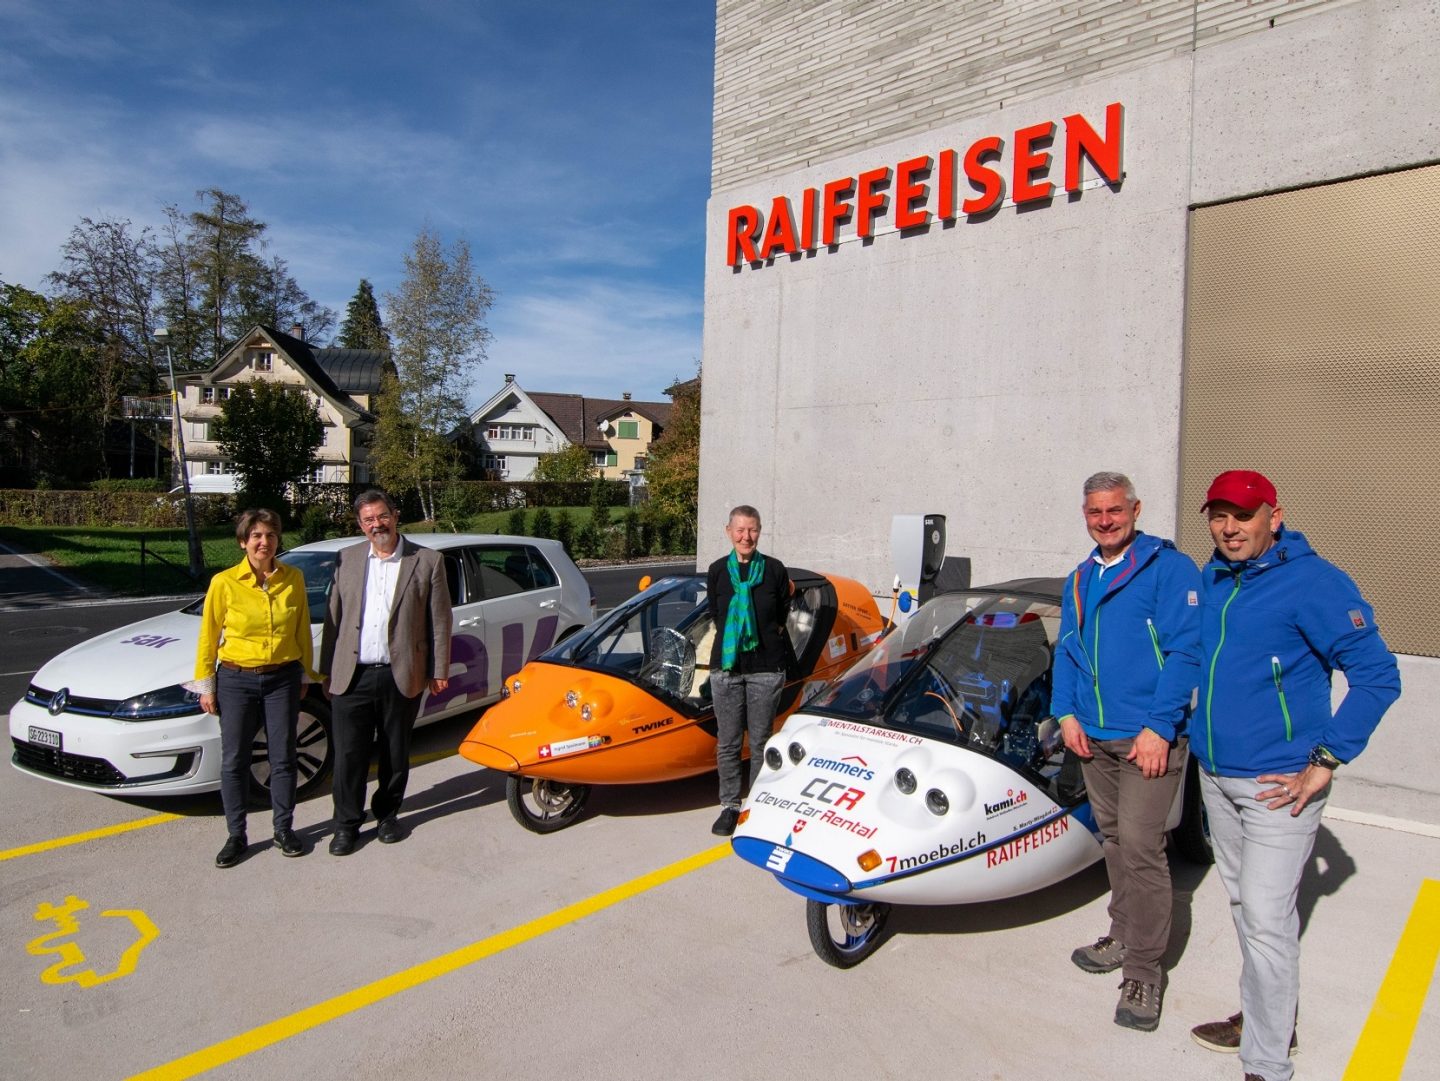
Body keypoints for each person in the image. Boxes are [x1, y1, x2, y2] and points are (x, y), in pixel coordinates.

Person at [1189, 470, 1400, 1081]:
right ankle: (1266, 1018)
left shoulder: (1315, 583)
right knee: (1247, 907)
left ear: (1274, 517)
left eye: (1244, 516)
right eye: (1218, 515)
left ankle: (1268, 1063)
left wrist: (1326, 761)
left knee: (1263, 914)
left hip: (1279, 785)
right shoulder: (1217, 574)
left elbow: (1379, 677)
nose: (1229, 528)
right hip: (1218, 777)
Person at [1051, 471, 1201, 1032]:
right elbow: (1066, 650)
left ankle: (1144, 970)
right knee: (1113, 839)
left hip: (1147, 738)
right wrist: (1065, 714)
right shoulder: (1079, 579)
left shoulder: (1168, 569)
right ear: (1085, 514)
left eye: (1115, 511)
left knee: (1141, 845)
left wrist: (1160, 727)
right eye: (1096, 513)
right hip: (1094, 737)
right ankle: (1123, 930)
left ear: (1136, 509)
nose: (1106, 521)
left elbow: (1187, 650)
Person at [319, 490, 451, 855]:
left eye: (382, 516)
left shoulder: (426, 561)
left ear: (395, 515)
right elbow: (334, 620)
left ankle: (388, 815)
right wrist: (327, 670)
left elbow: (440, 620)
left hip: (401, 672)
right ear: (361, 526)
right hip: (353, 674)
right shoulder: (347, 560)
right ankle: (346, 824)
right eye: (368, 520)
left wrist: (438, 668)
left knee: (395, 751)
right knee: (349, 755)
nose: (377, 524)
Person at [189, 508, 316, 868]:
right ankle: (236, 835)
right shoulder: (224, 583)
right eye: (257, 536)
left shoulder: (293, 579)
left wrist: (307, 674)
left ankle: (283, 829)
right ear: (243, 541)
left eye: (271, 535)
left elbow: (302, 630)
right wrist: (206, 686)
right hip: (236, 679)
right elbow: (207, 638)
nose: (264, 542)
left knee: (283, 756)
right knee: (234, 759)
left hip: (283, 677)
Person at [706, 505, 792, 837]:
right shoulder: (716, 571)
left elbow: (781, 612)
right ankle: (730, 806)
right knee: (727, 742)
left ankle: (756, 804)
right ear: (729, 531)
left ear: (760, 531)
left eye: (752, 530)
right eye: (740, 530)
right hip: (727, 668)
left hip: (766, 668)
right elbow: (717, 614)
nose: (746, 537)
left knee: (760, 741)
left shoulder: (774, 570)